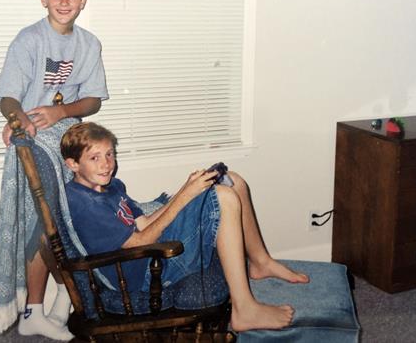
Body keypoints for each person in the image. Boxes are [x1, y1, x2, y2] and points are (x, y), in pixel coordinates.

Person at [60, 121, 309, 332]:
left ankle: (261, 262)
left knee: (233, 181)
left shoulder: (111, 186)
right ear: (72, 164)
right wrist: (186, 196)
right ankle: (244, 309)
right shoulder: (84, 203)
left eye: (109, 154)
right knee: (224, 197)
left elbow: (144, 223)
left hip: (148, 252)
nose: (106, 164)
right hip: (146, 270)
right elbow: (139, 242)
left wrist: (186, 189)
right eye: (94, 158)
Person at [0, 0, 109, 340]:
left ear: (83, 1)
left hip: (69, 136)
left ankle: (65, 293)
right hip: (33, 139)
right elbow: (8, 96)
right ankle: (34, 310)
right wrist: (18, 117)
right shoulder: (28, 40)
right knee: (41, 221)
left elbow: (92, 100)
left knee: (71, 218)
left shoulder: (89, 44)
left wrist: (61, 111)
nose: (64, 2)